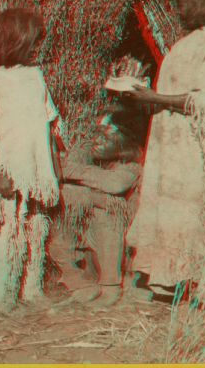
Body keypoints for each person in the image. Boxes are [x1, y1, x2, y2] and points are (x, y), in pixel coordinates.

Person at [125, 0, 205, 303]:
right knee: (174, 213)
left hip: (197, 150)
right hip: (176, 145)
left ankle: (204, 289)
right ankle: (172, 280)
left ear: (201, 2)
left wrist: (154, 99)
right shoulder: (195, 40)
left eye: (181, 4)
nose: (177, 11)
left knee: (194, 215)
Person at [0, 8, 61, 313]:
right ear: (14, 39)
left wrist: (53, 168)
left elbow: (48, 122)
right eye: (31, 42)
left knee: (36, 227)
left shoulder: (35, 76)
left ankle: (32, 290)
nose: (35, 48)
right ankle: (4, 299)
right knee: (8, 229)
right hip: (7, 169)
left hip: (35, 169)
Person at [49, 117, 142, 308]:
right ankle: (80, 284)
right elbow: (60, 169)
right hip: (89, 228)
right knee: (54, 219)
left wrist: (78, 180)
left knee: (107, 214)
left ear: (121, 143)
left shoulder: (131, 163)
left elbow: (114, 185)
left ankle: (111, 287)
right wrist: (93, 194)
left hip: (120, 234)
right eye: (96, 136)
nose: (97, 142)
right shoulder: (91, 152)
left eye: (105, 139)